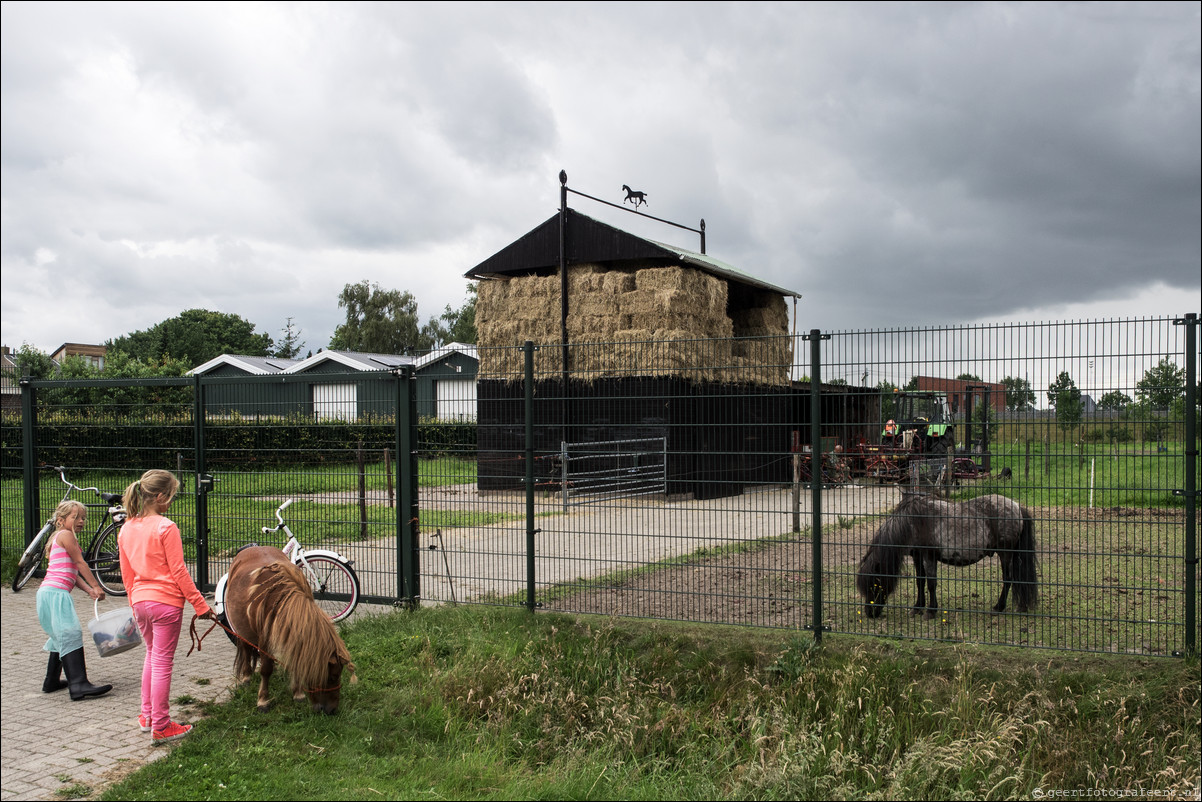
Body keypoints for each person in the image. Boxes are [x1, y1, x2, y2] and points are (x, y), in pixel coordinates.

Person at [118, 470, 215, 744]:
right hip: (165, 604)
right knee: (162, 662)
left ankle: (147, 716)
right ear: (160, 497)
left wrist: (134, 603)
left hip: (140, 602)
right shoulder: (165, 526)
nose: (171, 502)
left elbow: (126, 574)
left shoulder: (126, 528)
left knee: (151, 656)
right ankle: (161, 725)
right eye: (171, 497)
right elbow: (179, 571)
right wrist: (200, 604)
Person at [35, 499, 113, 700]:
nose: (80, 521)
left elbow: (71, 572)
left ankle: (51, 681)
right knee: (71, 633)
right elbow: (80, 563)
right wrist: (96, 585)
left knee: (60, 634)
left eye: (83, 518)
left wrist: (88, 590)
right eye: (75, 517)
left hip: (46, 593)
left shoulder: (57, 537)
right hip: (56, 594)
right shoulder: (67, 535)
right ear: (61, 520)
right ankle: (78, 685)